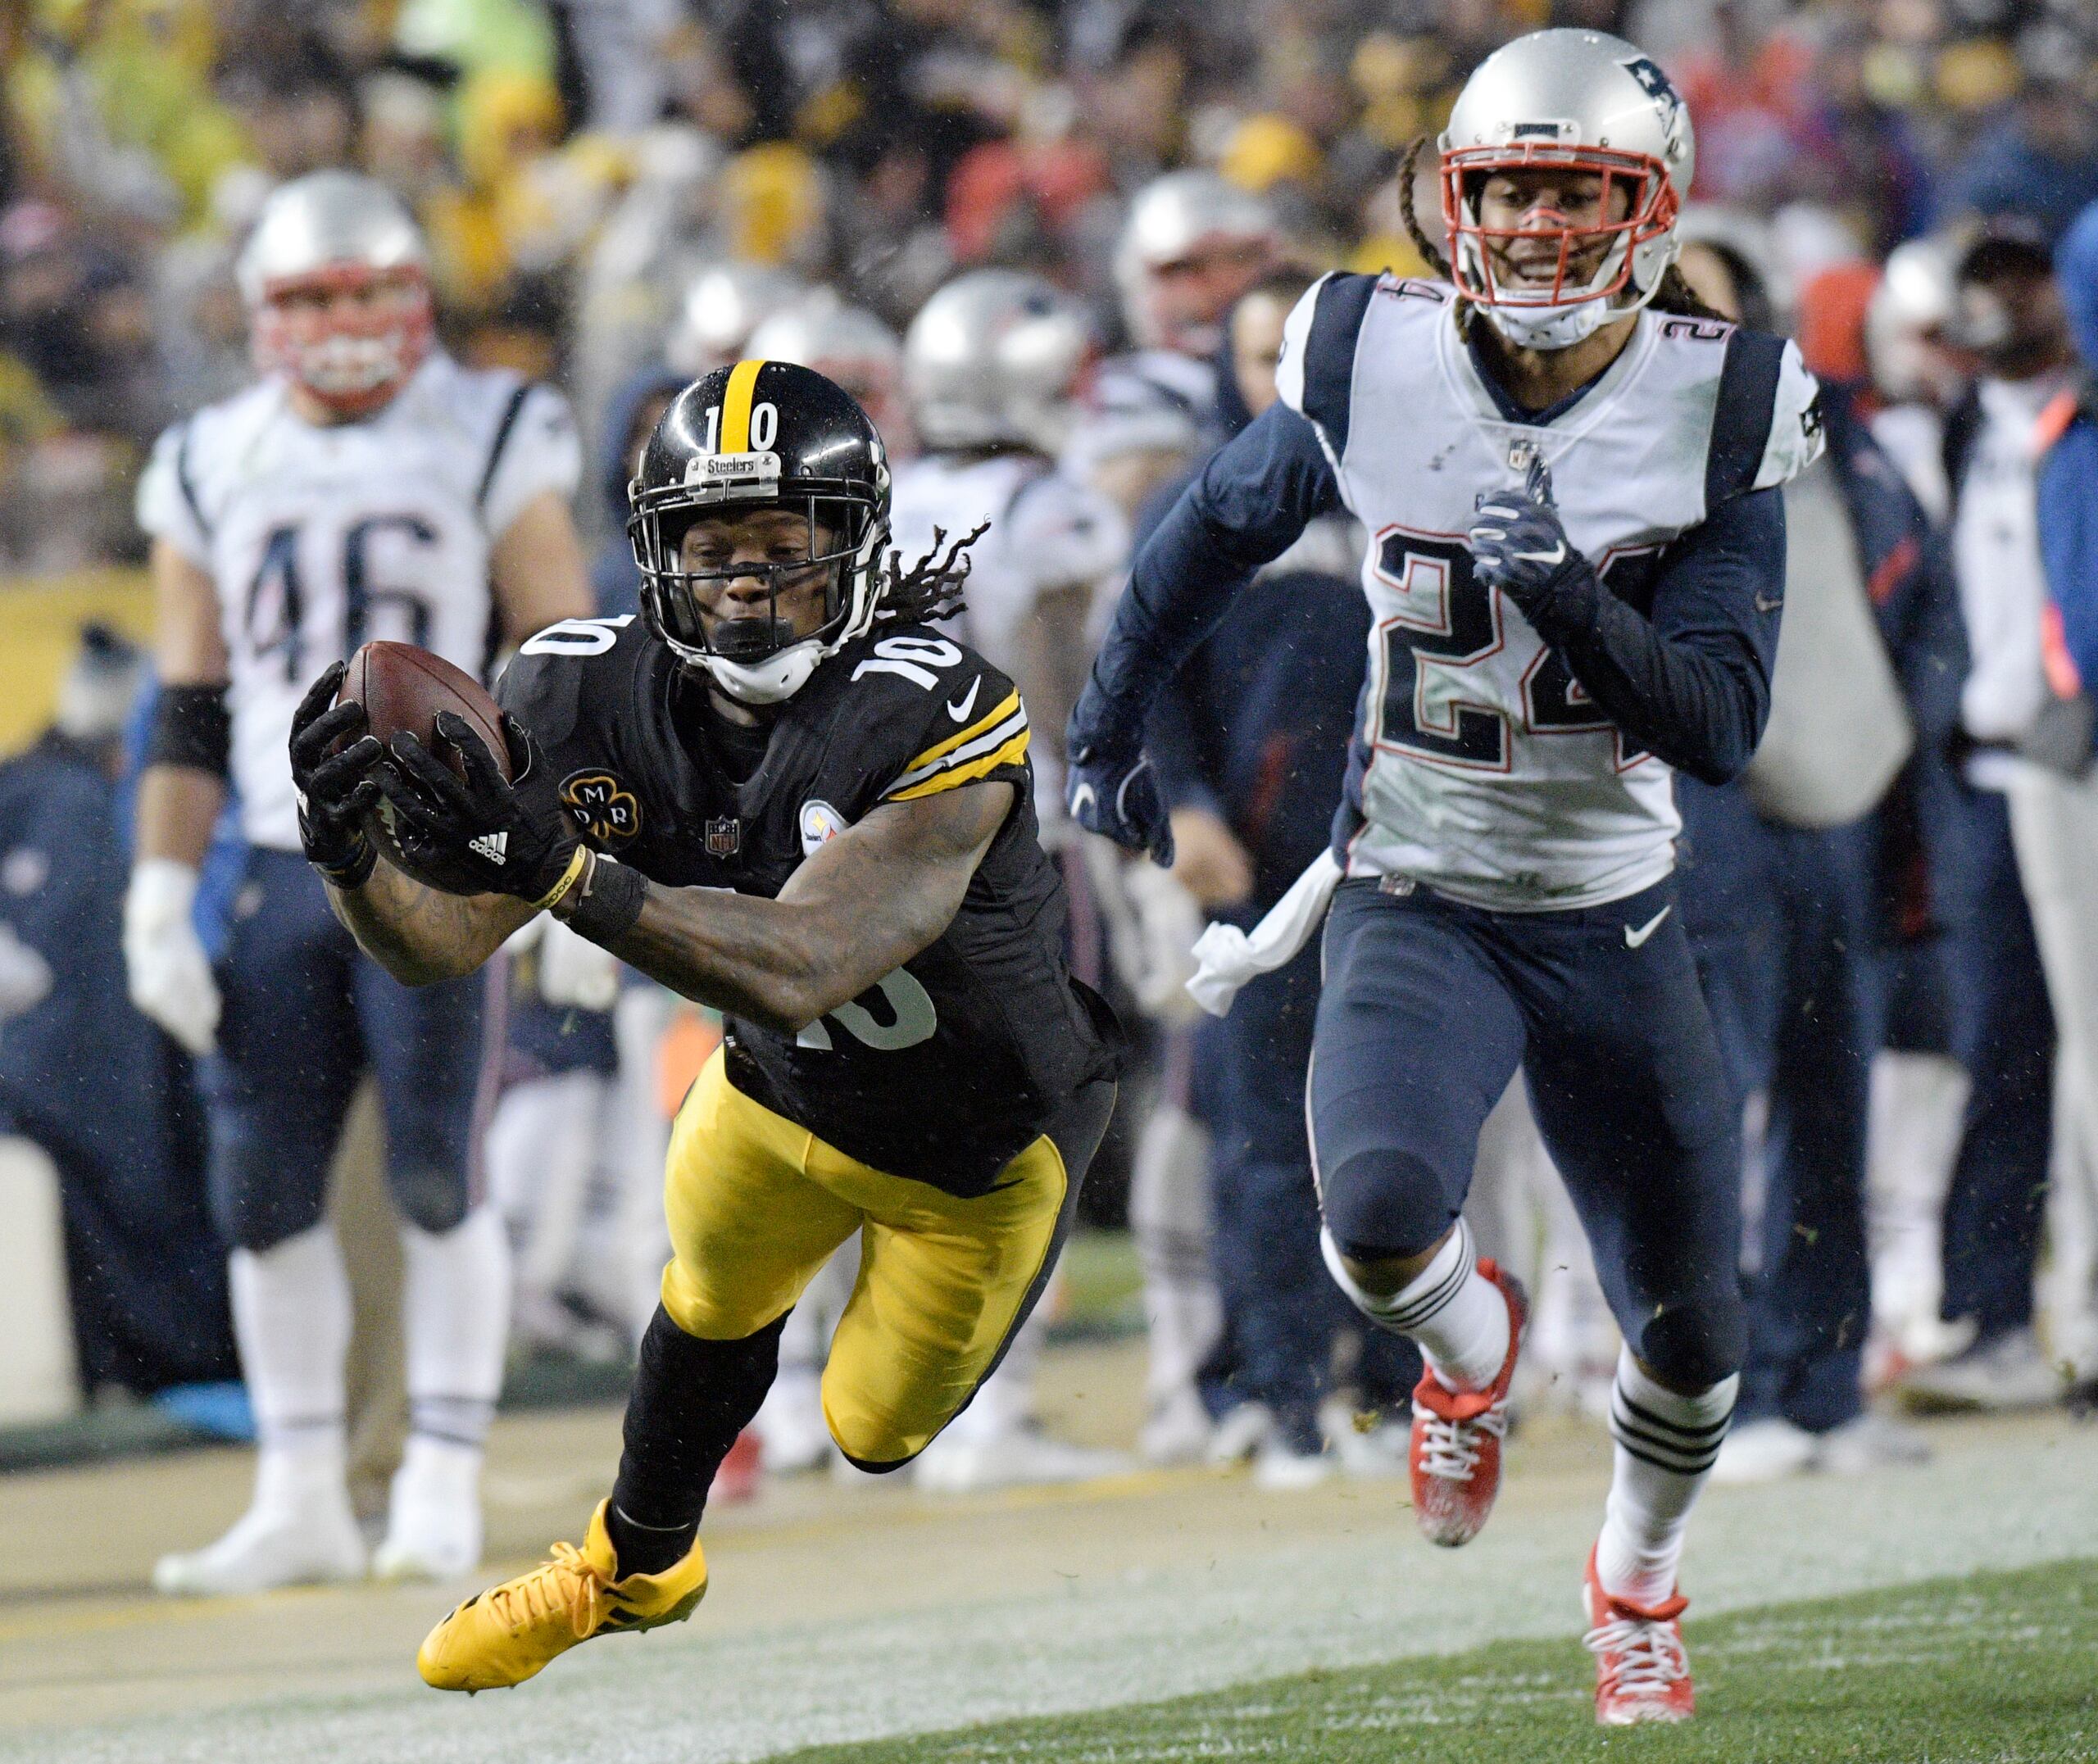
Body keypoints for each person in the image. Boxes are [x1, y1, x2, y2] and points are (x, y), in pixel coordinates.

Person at [1066, 29, 1821, 1724]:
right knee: (1379, 1219)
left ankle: (1633, 1581)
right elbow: (1202, 532)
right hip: (1415, 889)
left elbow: (1714, 721)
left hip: (1617, 913)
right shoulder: (1364, 347)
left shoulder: (1724, 397)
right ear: (1451, 201)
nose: (1543, 227)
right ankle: (1466, 1369)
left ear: (1651, 206)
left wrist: (1563, 587)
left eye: (1580, 190)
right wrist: (1109, 721)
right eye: (1511, 189)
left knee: (1694, 1343)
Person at [288, 360, 1121, 1690]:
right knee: (708, 1295)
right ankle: (629, 1568)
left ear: (854, 548)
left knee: (870, 1427)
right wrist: (347, 858)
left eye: (785, 548)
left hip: (982, 1145)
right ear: (652, 553)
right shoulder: (574, 691)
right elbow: (437, 948)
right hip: (782, 1095)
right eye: (710, 545)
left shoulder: (936, 705)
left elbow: (808, 959)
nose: (746, 580)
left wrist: (565, 872)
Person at [124, 170, 593, 1594]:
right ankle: (300, 1490)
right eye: (309, 298)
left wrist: (582, 862)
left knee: (437, 1169)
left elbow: (563, 662)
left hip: (441, 857)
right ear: (261, 313)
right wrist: (158, 883)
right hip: (275, 854)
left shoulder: (493, 424)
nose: (338, 322)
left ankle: (440, 1472)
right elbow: (190, 702)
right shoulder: (211, 455)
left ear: (413, 300)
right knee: (261, 1185)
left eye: (362, 292)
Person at [1664, 226, 1961, 1482]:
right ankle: (1720, 1396)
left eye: (1709, 296)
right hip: (1704, 798)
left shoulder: (1822, 433)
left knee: (1830, 1096)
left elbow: (1904, 600)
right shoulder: (1629, 443)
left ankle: (1824, 1381)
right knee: (1716, 1104)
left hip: (1832, 798)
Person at [889, 267, 1133, 1491]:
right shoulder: (1047, 505)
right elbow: (1060, 689)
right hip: (1011, 842)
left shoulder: (885, 500)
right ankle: (987, 1413)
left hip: (883, 846)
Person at [1899, 229, 2076, 1411]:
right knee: (2003, 1049)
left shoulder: (2083, 416)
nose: (2003, 304)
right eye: (1985, 286)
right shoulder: (1962, 430)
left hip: (2078, 762)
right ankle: (1995, 1310)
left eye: (2025, 278)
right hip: (1989, 777)